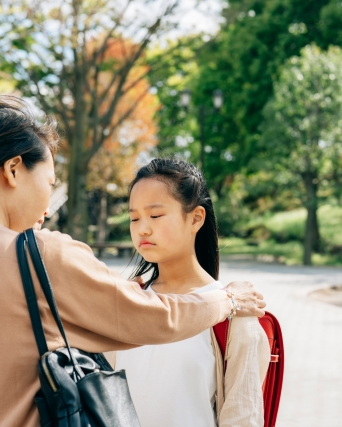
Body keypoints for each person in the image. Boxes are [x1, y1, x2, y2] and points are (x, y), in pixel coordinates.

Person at [0, 96, 265, 427]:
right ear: (14, 170)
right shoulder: (38, 256)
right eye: (49, 182)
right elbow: (156, 319)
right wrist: (228, 299)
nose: (47, 208)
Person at [114, 159, 271, 427]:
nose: (142, 228)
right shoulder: (127, 301)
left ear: (196, 218)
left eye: (155, 215)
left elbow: (242, 418)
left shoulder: (236, 316)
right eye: (134, 218)